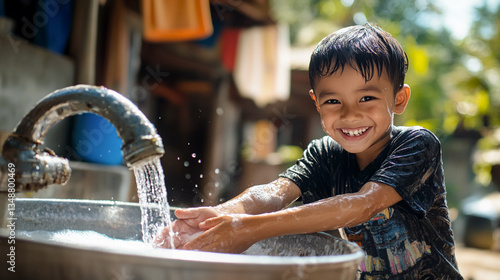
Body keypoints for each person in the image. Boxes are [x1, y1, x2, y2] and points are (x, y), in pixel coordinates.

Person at [155, 23, 463, 279]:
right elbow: (272, 194)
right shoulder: (324, 153)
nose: (349, 114)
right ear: (316, 103)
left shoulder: (417, 145)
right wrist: (219, 216)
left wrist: (246, 229)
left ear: (398, 99)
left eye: (366, 97)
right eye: (333, 101)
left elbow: (364, 204)